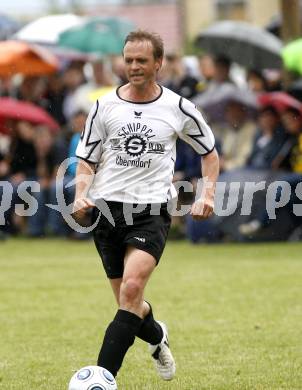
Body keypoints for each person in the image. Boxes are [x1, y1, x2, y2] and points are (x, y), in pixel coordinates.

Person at [72, 30, 219, 382]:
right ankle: (158, 338)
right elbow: (85, 161)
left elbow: (209, 155)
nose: (134, 67)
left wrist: (207, 194)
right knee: (129, 304)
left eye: (141, 60)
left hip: (151, 212)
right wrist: (80, 193)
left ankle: (102, 378)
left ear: (158, 63)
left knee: (132, 290)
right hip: (107, 212)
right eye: (128, 60)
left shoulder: (179, 108)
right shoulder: (103, 106)